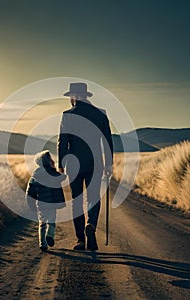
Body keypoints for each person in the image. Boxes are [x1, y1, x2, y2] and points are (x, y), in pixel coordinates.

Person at [58, 82, 113, 251]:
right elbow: (107, 141)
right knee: (93, 197)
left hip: (74, 163)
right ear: (86, 96)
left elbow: (63, 141)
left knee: (76, 201)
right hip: (95, 162)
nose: (70, 100)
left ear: (74, 97)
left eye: (71, 97)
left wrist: (61, 163)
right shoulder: (100, 114)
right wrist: (109, 164)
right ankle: (91, 225)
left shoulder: (67, 115)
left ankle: (81, 240)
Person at [25, 150, 66, 252]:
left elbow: (29, 193)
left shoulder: (35, 175)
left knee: (42, 223)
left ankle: (42, 244)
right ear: (48, 162)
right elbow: (62, 177)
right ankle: (50, 235)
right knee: (51, 220)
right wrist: (61, 171)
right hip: (52, 203)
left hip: (41, 204)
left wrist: (32, 206)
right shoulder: (53, 173)